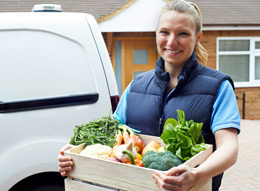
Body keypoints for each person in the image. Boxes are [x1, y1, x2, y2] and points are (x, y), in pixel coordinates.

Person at [58, 0, 240, 190]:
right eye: (164, 32)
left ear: (198, 37)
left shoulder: (218, 86)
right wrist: (79, 152)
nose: (171, 41)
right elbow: (113, 136)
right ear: (156, 34)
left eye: (183, 34)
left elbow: (229, 149)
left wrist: (195, 175)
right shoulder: (136, 86)